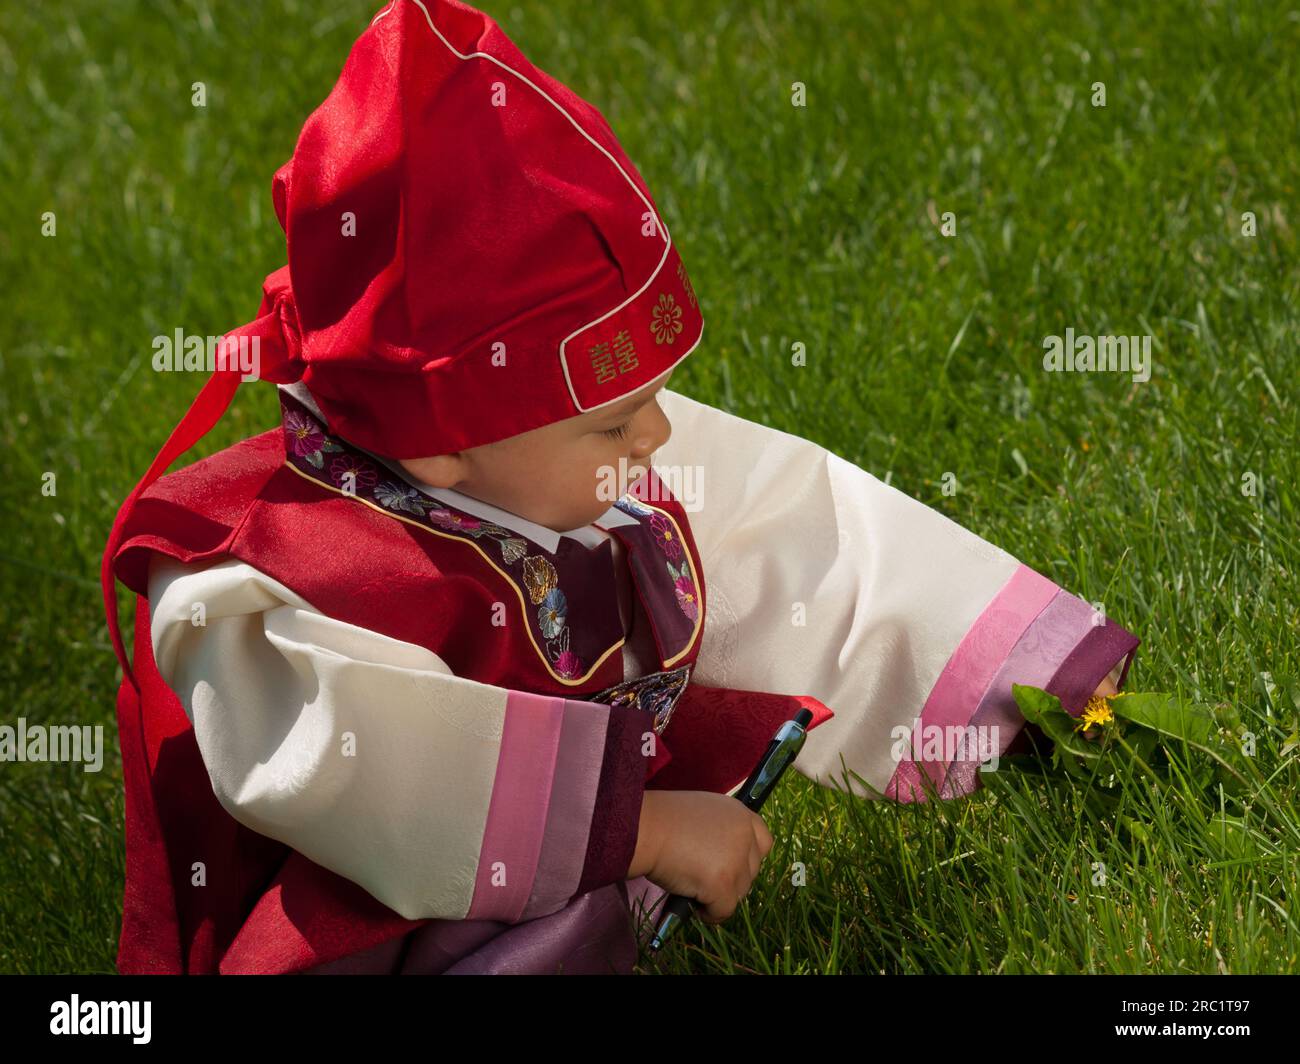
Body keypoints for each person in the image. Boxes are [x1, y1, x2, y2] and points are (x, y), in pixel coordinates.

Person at [101, 0, 1137, 975]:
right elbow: (368, 771)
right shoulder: (261, 587)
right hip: (370, 921)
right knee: (527, 928)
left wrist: (1033, 679)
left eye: (652, 400)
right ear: (438, 445)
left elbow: (798, 537)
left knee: (571, 910)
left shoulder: (559, 456)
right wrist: (642, 829)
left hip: (565, 848)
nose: (654, 434)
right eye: (613, 418)